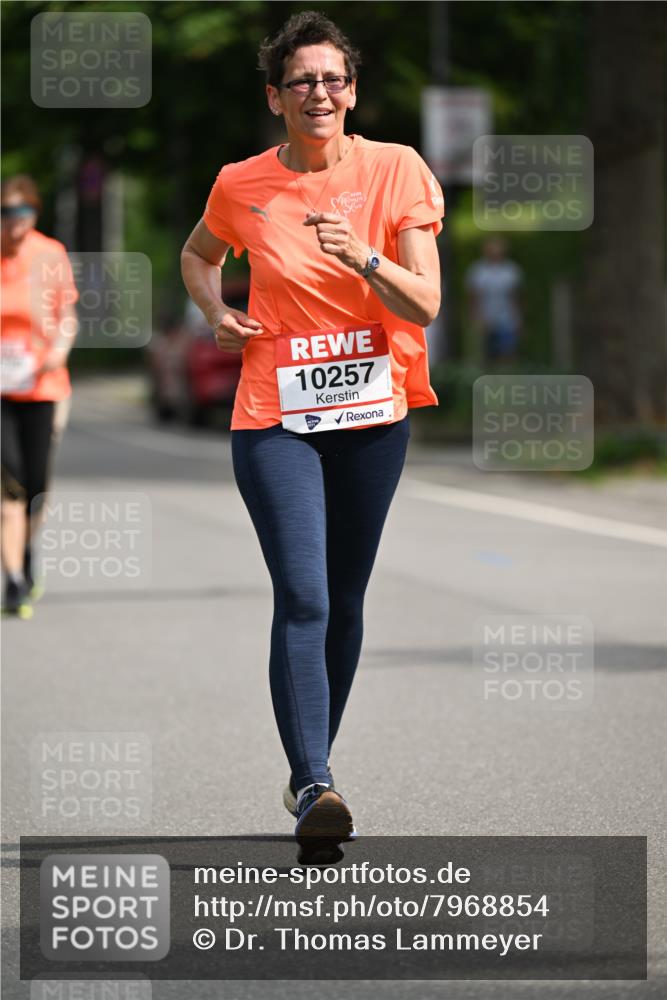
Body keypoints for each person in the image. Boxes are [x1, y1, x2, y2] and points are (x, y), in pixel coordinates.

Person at [181, 10, 444, 853]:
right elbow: (197, 254)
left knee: (346, 599)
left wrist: (361, 255)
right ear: (276, 98)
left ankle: (309, 765)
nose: (318, 92)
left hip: (373, 415)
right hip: (275, 417)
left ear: (352, 91)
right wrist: (215, 311)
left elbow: (425, 302)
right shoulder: (241, 183)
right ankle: (315, 783)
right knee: (304, 593)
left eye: (333, 79)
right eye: (301, 81)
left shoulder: (396, 169)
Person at [1, 175, 78, 617]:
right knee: (8, 484)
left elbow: (67, 315)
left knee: (35, 489)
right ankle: (13, 580)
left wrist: (58, 350)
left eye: (23, 213)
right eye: (6, 214)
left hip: (42, 385)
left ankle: (27, 553)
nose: (15, 222)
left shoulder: (50, 254)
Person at [465, 238, 524, 364]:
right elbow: (473, 298)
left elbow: (516, 297)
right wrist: (475, 318)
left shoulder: (511, 271)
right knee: (486, 357)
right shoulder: (478, 271)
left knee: (507, 354)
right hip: (485, 320)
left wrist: (518, 319)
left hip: (506, 319)